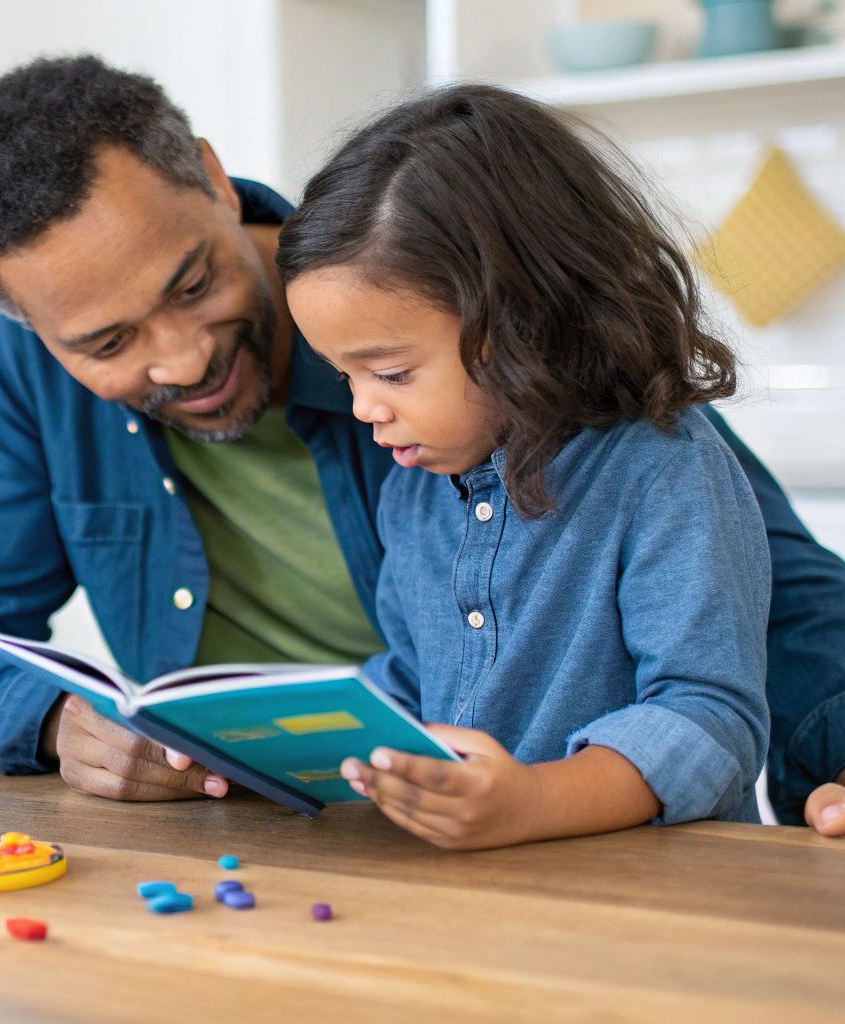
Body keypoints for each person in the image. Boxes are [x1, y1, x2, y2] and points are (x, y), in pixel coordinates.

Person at [0, 54, 845, 833]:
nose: (180, 358)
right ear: (31, 328)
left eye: (191, 284)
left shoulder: (454, 308)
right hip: (310, 841)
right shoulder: (26, 370)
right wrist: (54, 723)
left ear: (214, 184)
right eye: (104, 342)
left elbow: (771, 582)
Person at [278, 83, 767, 848]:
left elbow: (709, 721)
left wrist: (532, 802)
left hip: (656, 900)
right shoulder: (414, 488)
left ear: (523, 325)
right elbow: (412, 682)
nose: (364, 407)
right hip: (478, 898)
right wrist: (273, 748)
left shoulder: (658, 467)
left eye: (393, 374)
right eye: (346, 377)